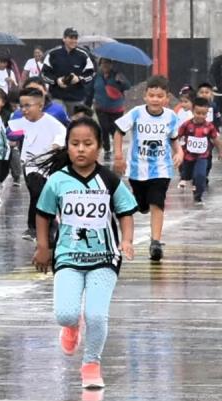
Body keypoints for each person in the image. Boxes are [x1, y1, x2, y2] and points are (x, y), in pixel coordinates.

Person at [32, 117, 137, 390]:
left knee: (97, 315)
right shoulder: (57, 181)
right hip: (67, 256)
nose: (80, 149)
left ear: (99, 147)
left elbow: (125, 212)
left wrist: (126, 241)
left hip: (104, 258)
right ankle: (71, 325)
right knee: (65, 314)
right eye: (74, 144)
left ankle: (91, 364)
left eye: (87, 144)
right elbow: (42, 215)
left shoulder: (109, 179)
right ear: (67, 147)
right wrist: (43, 247)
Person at [113, 75, 183, 261]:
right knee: (142, 204)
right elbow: (119, 131)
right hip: (137, 170)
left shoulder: (170, 116)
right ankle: (142, 203)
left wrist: (179, 152)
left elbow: (174, 139)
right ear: (145, 96)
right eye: (152, 95)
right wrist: (118, 156)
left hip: (161, 169)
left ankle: (155, 242)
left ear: (166, 98)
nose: (155, 99)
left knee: (157, 203)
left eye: (160, 96)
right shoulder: (136, 113)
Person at [8, 88, 67, 241]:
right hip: (30, 166)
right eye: (22, 106)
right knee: (37, 191)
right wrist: (12, 138)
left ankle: (44, 224)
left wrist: (56, 145)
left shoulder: (52, 123)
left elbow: (61, 136)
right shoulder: (21, 122)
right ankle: (36, 226)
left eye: (28, 106)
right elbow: (10, 132)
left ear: (40, 106)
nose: (24, 110)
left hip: (49, 167)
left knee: (43, 195)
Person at [177, 97, 221, 205]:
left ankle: (198, 195)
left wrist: (220, 150)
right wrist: (175, 150)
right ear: (192, 112)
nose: (200, 116)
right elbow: (176, 136)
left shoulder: (209, 126)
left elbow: (215, 139)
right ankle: (186, 179)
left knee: (200, 175)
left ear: (207, 114)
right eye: (198, 113)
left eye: (203, 114)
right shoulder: (187, 125)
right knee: (187, 175)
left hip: (202, 156)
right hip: (188, 156)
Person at [41, 28, 95, 115]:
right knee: (58, 122)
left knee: (74, 124)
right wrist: (56, 81)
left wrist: (79, 79)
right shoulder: (53, 54)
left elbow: (91, 74)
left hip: (76, 99)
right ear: (64, 39)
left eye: (75, 38)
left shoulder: (83, 55)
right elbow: (44, 74)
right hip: (57, 97)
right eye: (71, 37)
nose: (74, 40)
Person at [91, 58, 130, 160]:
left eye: (107, 63)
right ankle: (107, 149)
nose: (105, 65)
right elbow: (90, 89)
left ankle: (116, 148)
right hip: (101, 107)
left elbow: (127, 86)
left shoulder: (117, 75)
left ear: (111, 65)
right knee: (104, 128)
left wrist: (120, 81)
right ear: (100, 65)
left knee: (114, 129)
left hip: (116, 108)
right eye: (103, 63)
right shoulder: (96, 76)